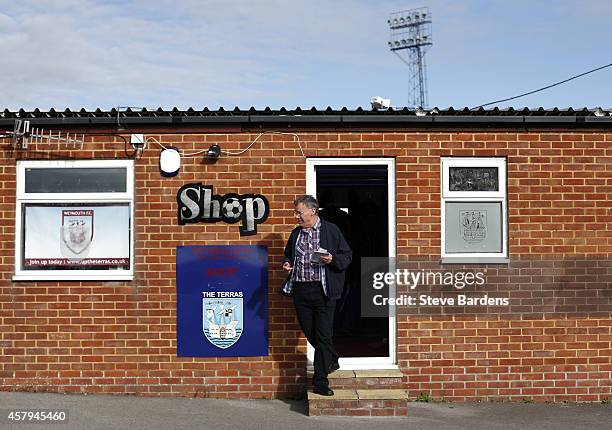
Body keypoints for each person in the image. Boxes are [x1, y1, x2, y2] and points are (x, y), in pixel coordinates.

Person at [283, 195, 352, 396]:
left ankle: (320, 381)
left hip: (323, 291)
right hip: (301, 290)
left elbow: (347, 256)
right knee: (310, 331)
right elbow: (288, 255)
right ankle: (330, 358)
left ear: (312, 211)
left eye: (299, 212)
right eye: (296, 212)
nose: (296, 216)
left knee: (323, 335)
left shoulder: (331, 230)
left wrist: (332, 259)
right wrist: (287, 264)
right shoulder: (296, 234)